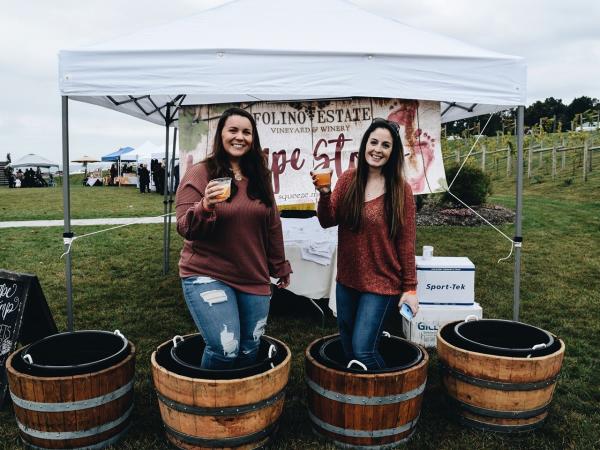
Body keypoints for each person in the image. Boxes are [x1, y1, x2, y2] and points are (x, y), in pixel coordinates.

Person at [175, 107, 291, 370]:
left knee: (250, 348)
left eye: (247, 132)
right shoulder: (201, 173)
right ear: (221, 134)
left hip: (252, 274)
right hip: (207, 272)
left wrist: (279, 265)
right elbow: (184, 227)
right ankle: (207, 408)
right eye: (233, 130)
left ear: (253, 138)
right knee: (224, 350)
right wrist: (205, 205)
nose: (240, 137)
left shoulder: (260, 175)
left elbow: (272, 223)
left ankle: (237, 408)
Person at [313, 118, 419, 370]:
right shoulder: (348, 179)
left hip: (381, 282)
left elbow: (406, 242)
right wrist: (325, 194)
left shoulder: (400, 190)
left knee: (363, 351)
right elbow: (327, 221)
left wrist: (410, 288)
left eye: (385, 145)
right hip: (348, 279)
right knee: (349, 347)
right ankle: (361, 404)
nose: (377, 149)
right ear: (364, 145)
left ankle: (390, 401)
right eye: (373, 142)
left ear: (393, 152)